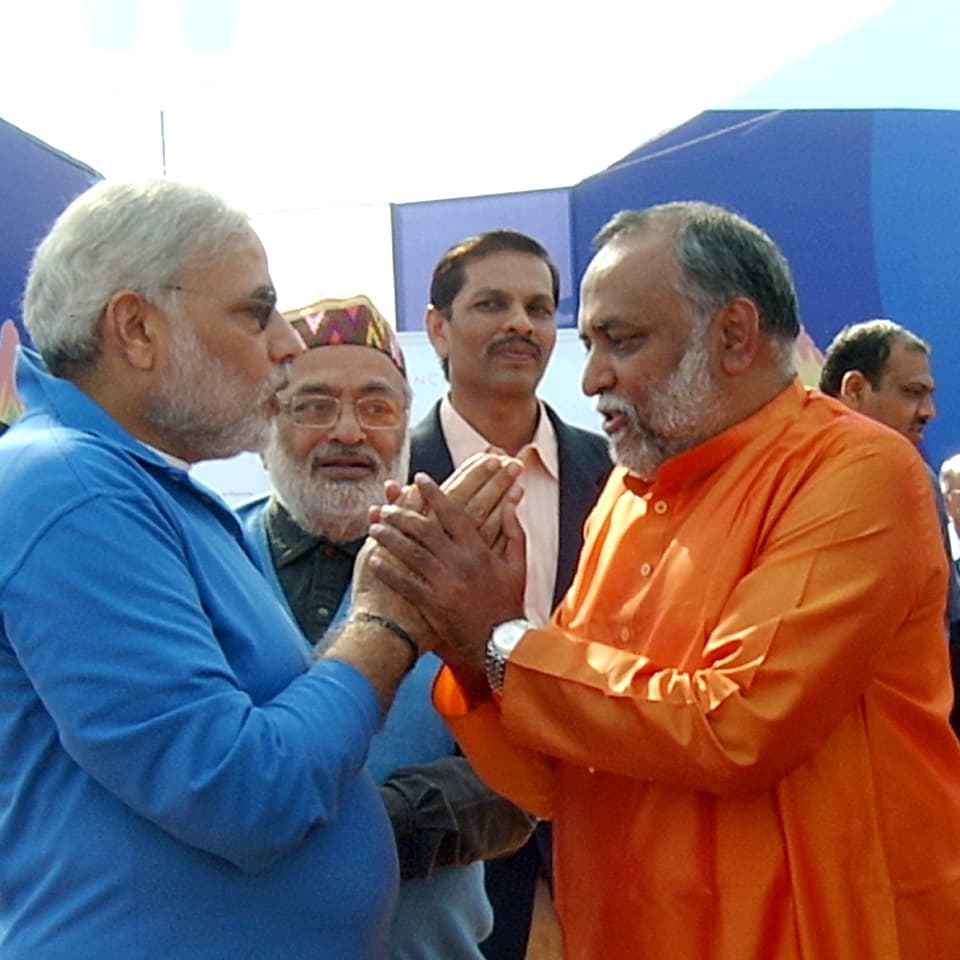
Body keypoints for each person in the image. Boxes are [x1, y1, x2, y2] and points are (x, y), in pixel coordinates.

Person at [360, 201, 960, 959]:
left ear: (734, 335)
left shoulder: (855, 473)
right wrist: (471, 650)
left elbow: (736, 724)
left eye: (622, 341)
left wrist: (502, 640)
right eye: (592, 342)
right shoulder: (628, 494)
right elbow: (554, 777)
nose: (592, 377)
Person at [0, 178, 445, 959]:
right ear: (135, 328)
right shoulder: (71, 487)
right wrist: (387, 621)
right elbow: (239, 793)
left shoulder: (136, 486)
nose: (286, 344)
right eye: (254, 310)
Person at [237, 294, 534, 959]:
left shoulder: (463, 566)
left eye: (377, 407)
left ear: (405, 426)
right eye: (313, 406)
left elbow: (526, 775)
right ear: (264, 423)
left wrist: (385, 825)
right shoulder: (206, 558)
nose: (349, 432)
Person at [413, 229, 612, 959]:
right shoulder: (386, 479)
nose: (519, 324)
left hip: (598, 820)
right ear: (438, 327)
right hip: (441, 837)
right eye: (491, 304)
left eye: (538, 307)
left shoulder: (620, 476)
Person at [819, 318, 960, 731]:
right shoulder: (789, 472)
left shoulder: (914, 477)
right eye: (912, 393)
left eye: (929, 395)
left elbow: (944, 625)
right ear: (856, 390)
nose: (928, 412)